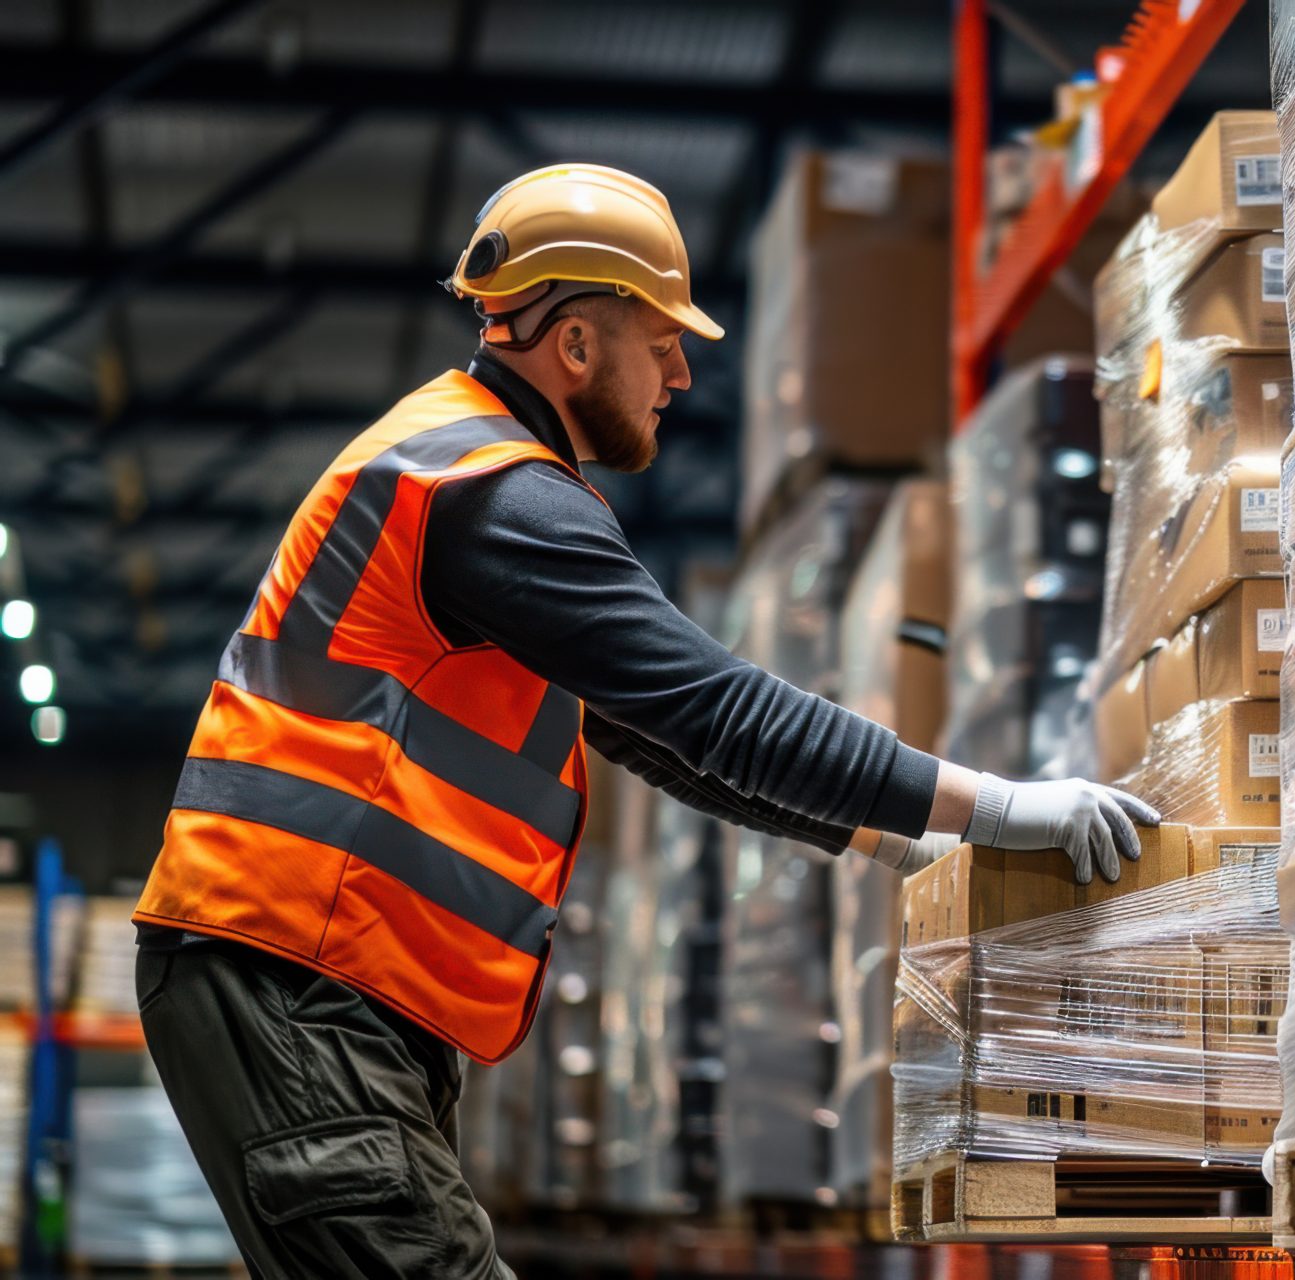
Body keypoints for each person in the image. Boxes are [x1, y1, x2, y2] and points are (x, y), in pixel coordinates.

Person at [127, 163, 1156, 1277]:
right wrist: (994, 804)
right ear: (573, 345)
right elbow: (716, 708)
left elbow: (666, 741)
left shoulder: (469, 478)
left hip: (316, 979)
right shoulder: (492, 497)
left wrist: (898, 838)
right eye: (659, 337)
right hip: (295, 976)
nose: (680, 369)